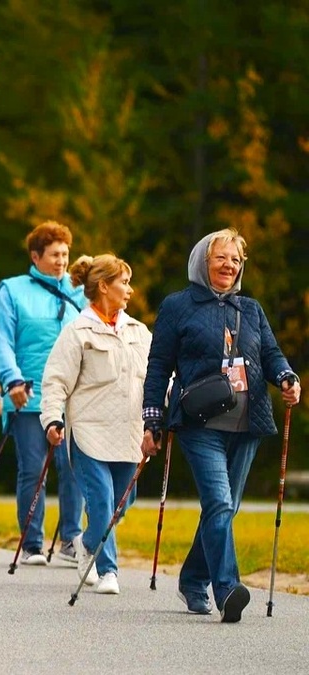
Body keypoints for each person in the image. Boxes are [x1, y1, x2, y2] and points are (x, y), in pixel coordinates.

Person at [142, 228, 300, 622]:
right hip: (200, 423)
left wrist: (286, 377)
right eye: (221, 258)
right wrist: (152, 418)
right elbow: (159, 366)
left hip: (248, 422)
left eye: (235, 260)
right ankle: (227, 588)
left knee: (223, 510)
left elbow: (271, 353)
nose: (229, 265)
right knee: (220, 502)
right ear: (202, 261)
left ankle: (193, 580)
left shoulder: (252, 309)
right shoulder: (178, 306)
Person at [41, 254, 151, 596]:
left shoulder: (139, 332)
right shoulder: (77, 332)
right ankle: (109, 571)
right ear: (104, 286)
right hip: (89, 433)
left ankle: (86, 540)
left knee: (123, 501)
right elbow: (55, 381)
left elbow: (159, 376)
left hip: (130, 433)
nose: (130, 290)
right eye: (124, 283)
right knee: (103, 501)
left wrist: (164, 414)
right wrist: (53, 419)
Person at [0, 221, 86, 566]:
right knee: (33, 468)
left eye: (66, 254)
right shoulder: (13, 290)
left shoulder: (80, 290)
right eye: (54, 254)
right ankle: (32, 543)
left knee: (73, 466)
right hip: (29, 395)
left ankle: (71, 538)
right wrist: (11, 380)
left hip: (71, 396)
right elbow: (1, 339)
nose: (62, 261)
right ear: (36, 256)